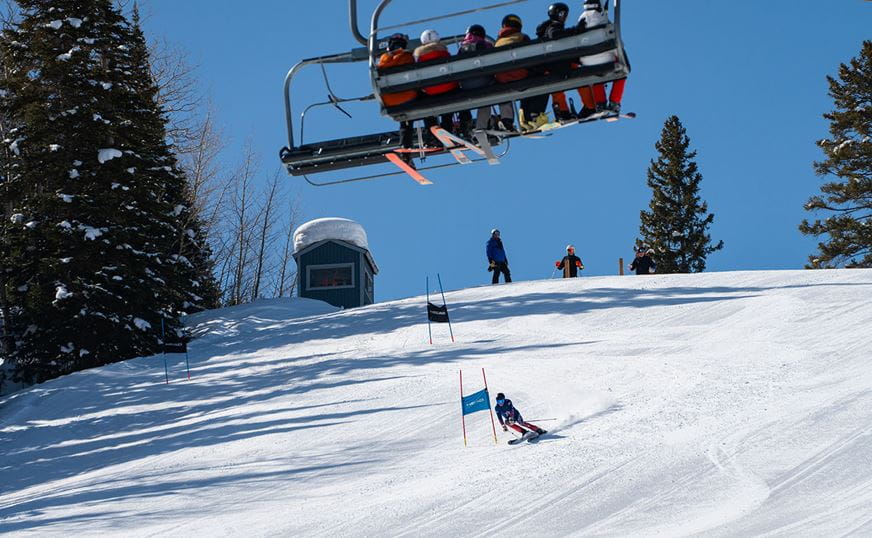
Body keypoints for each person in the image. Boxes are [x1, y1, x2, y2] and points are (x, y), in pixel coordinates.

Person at [576, 0, 626, 114]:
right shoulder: (603, 19)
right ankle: (614, 102)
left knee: (595, 74)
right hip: (605, 60)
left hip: (587, 62)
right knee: (622, 71)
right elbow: (614, 38)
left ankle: (600, 103)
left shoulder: (581, 19)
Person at [532, 2, 577, 122]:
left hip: (550, 66)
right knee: (578, 76)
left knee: (557, 89)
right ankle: (566, 111)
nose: (565, 18)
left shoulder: (546, 28)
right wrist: (574, 31)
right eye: (563, 14)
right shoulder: (554, 26)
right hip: (556, 65)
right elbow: (555, 34)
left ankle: (562, 111)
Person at [414, 29, 459, 144]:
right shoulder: (443, 52)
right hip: (448, 88)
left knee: (425, 105)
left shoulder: (420, 57)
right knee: (448, 106)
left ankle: (432, 132)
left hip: (430, 91)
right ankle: (447, 129)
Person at [377, 34, 418, 151]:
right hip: (408, 97)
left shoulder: (383, 60)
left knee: (405, 118)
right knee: (426, 103)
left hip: (389, 101)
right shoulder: (408, 57)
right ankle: (433, 135)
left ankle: (405, 145)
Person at [493, 14, 532, 132]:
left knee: (502, 91)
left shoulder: (497, 42)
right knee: (533, 83)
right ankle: (528, 117)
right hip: (520, 75)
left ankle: (507, 120)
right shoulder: (522, 37)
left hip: (501, 78)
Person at [456, 24, 494, 139]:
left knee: (462, 101)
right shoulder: (487, 45)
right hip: (484, 82)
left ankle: (465, 125)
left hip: (466, 85)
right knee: (486, 100)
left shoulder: (462, 48)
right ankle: (481, 126)